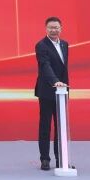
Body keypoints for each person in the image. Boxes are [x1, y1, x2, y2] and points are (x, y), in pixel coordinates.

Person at [33, 17, 70, 171]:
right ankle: (45, 159)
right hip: (47, 90)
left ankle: (61, 158)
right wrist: (55, 81)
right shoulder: (41, 45)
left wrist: (63, 86)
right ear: (46, 29)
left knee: (61, 127)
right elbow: (45, 65)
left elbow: (63, 68)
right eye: (50, 27)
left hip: (62, 91)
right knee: (45, 126)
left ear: (61, 28)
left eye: (56, 27)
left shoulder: (65, 44)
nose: (54, 30)